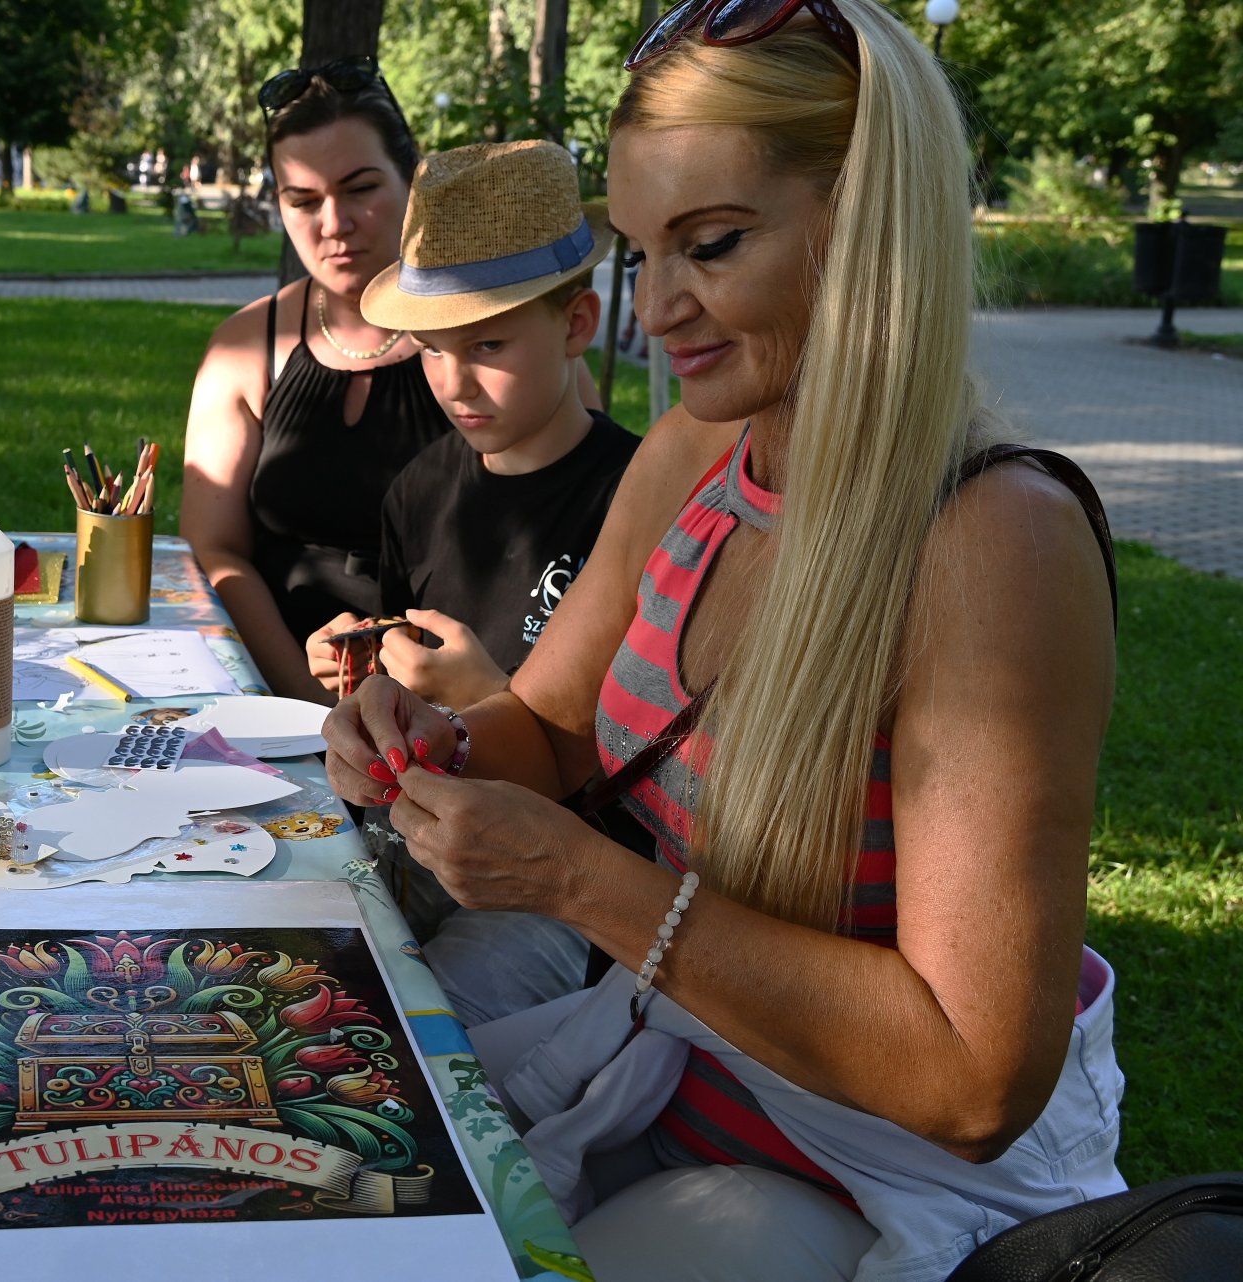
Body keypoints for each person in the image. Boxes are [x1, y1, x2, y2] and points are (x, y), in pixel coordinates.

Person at [322, 3, 1124, 1279]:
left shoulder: (993, 543)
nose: (664, 309)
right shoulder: (709, 442)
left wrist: (581, 881)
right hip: (659, 1096)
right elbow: (558, 725)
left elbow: (975, 1080)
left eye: (714, 244)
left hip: (865, 1188)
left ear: (868, 222)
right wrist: (438, 739)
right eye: (644, 254)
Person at [181, 58, 600, 703]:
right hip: (303, 681)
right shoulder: (247, 346)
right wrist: (299, 693)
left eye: (359, 189)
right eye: (302, 199)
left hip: (466, 693)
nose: (333, 224)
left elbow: (569, 518)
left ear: (411, 182)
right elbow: (215, 547)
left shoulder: (529, 362)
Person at [304, 141, 642, 717]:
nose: (454, 384)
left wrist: (490, 703)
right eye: (431, 349)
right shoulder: (417, 493)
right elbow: (401, 683)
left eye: (487, 344)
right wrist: (365, 669)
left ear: (576, 324)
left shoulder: (637, 502)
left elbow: (636, 739)